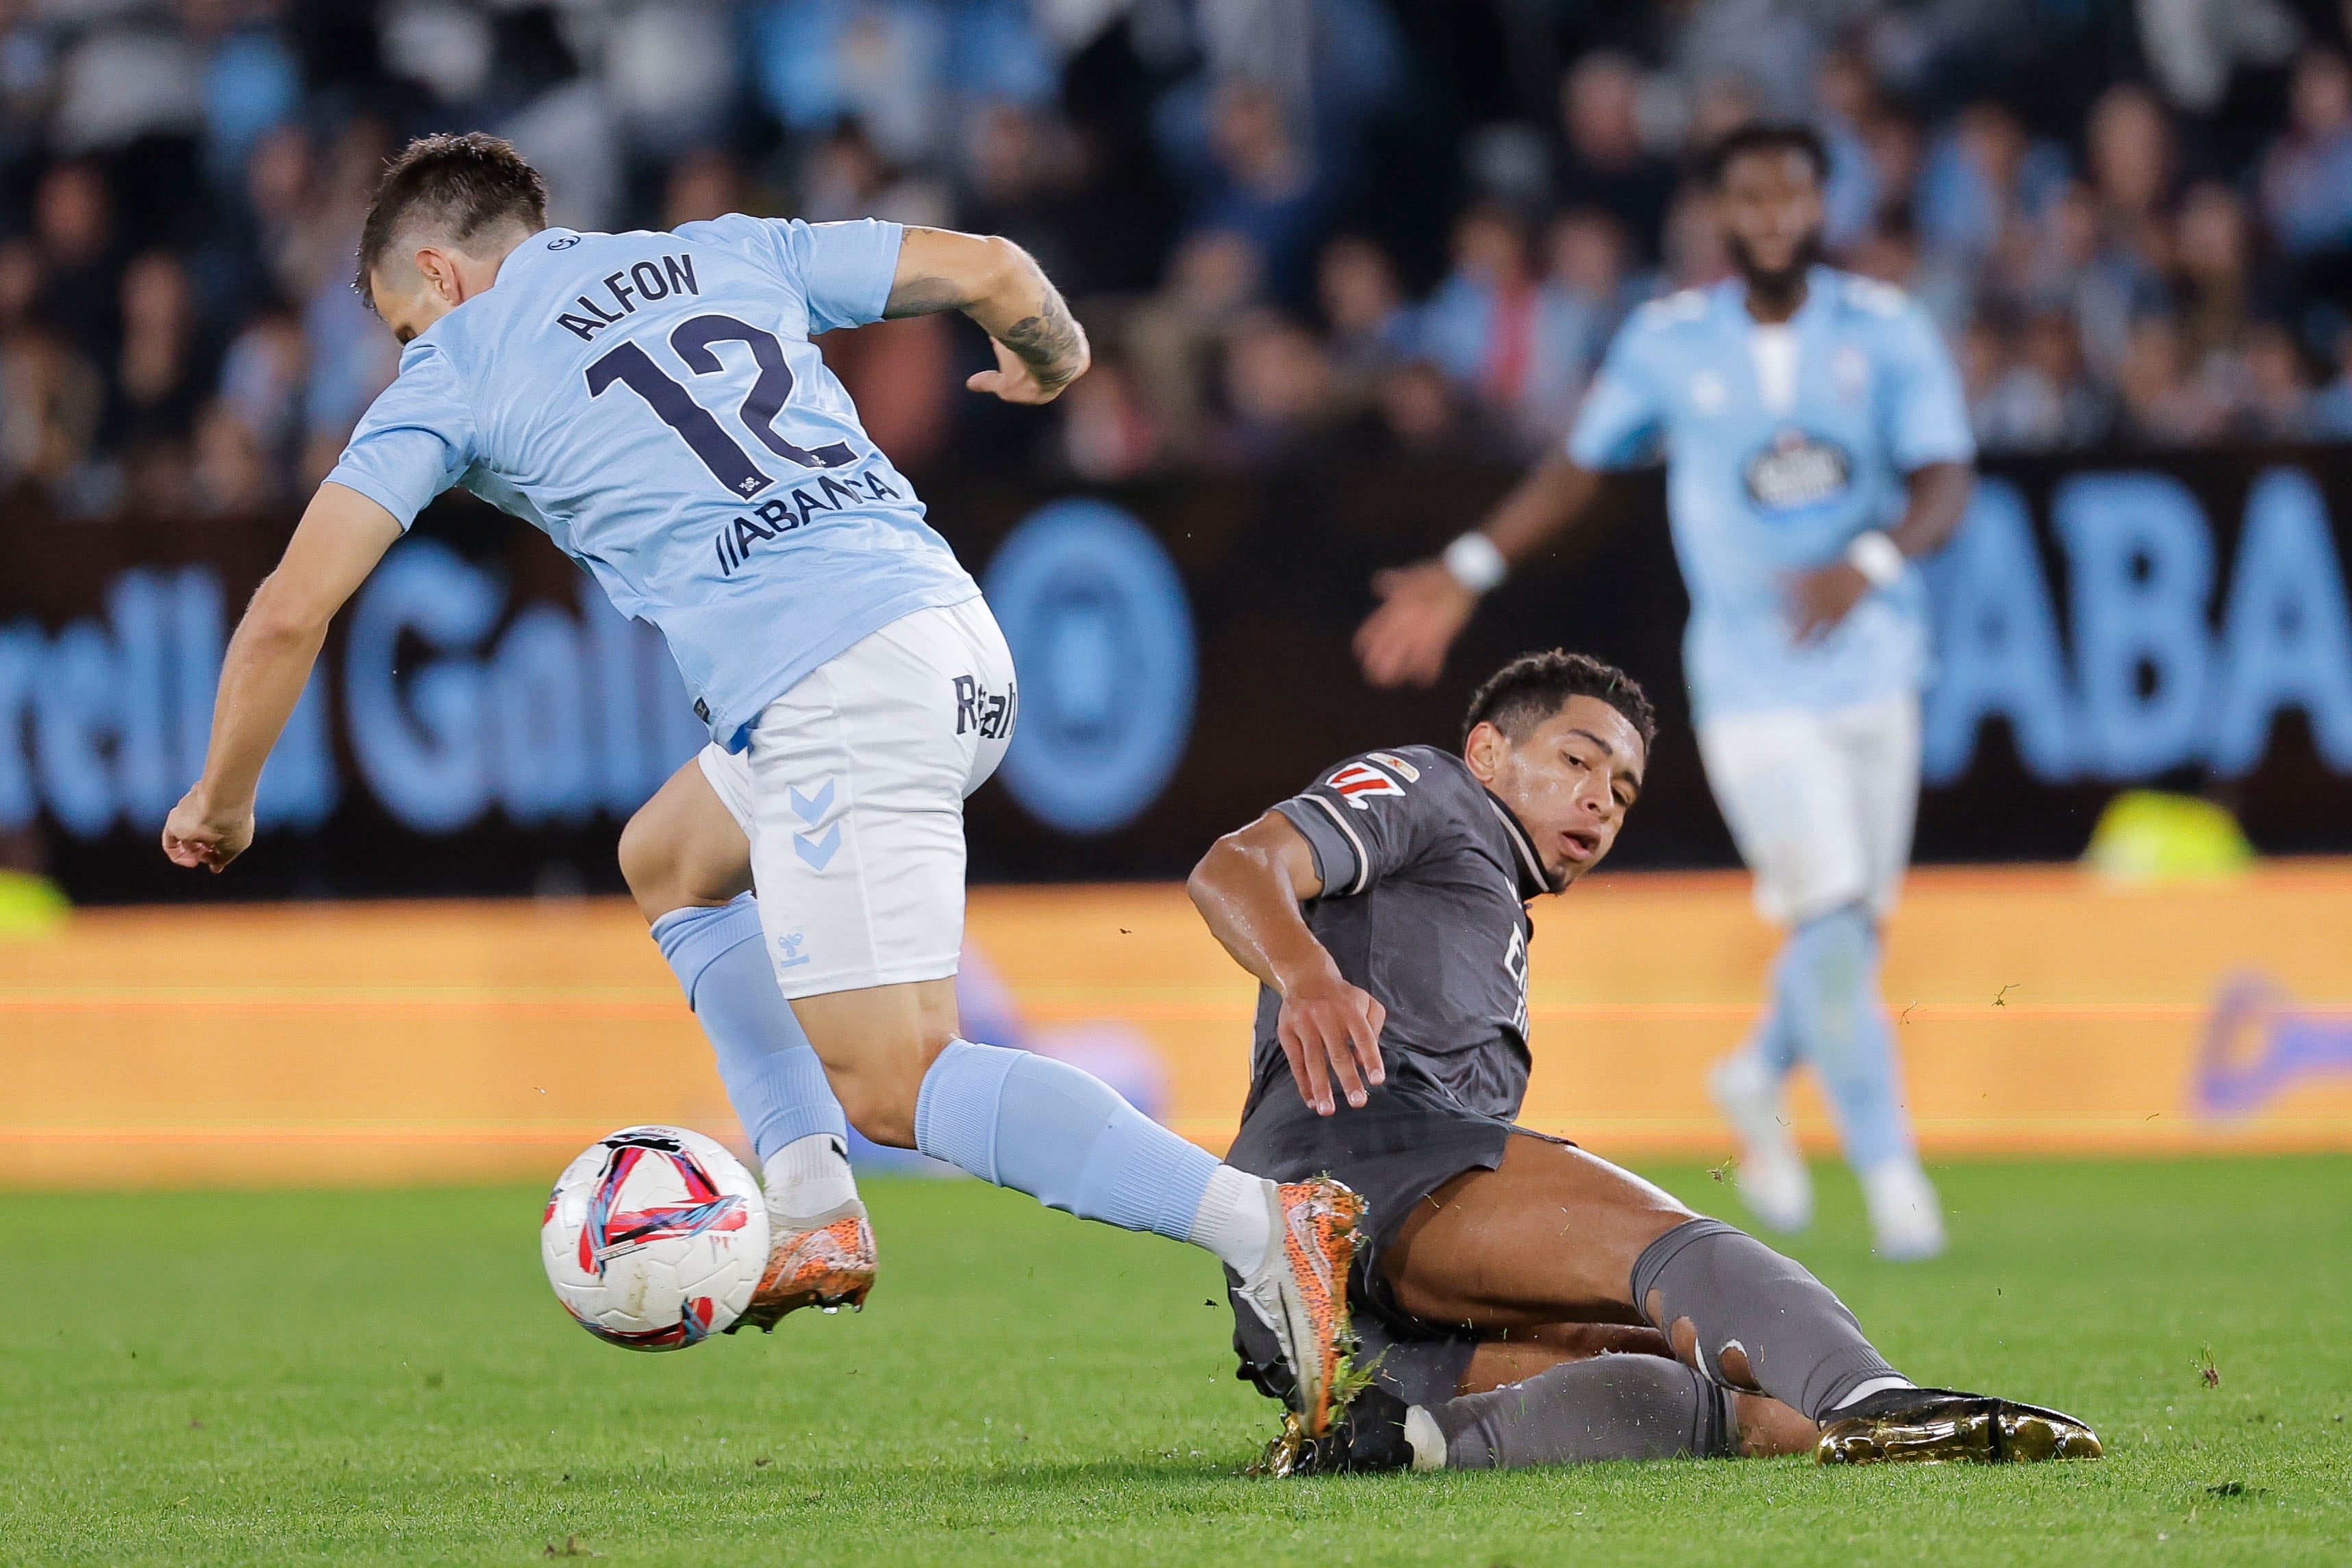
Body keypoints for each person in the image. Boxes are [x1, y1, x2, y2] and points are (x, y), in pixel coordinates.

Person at [158, 132, 1364, 1438]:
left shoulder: (456, 362)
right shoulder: (720, 248)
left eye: (401, 321)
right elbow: (995, 266)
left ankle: (1260, 1221)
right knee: (668, 855)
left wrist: (224, 796)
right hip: (948, 633)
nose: (408, 346)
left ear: (439, 275)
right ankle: (808, 1205)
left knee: (899, 1083)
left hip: (834, 685)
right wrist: (1051, 359)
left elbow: (291, 611)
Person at [1188, 650, 2100, 1473]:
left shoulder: (1484, 916)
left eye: (1622, 791)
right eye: (1577, 761)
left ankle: (1404, 1441)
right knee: (1669, 1247)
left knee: (1741, 1397)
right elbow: (1233, 866)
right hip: (1349, 1166)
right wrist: (1306, 975)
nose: (1599, 798)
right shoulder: (1429, 787)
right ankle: (1874, 1395)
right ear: (1486, 753)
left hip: (1349, 1307)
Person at [1353, 123, 1972, 1260]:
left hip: (1879, 665)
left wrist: (1870, 560)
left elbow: (1945, 476)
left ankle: (1750, 1073)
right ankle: (1895, 1183)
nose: (1774, 214)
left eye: (1792, 192)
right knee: (1830, 915)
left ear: (1820, 203)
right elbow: (1579, 465)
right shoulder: (1672, 340)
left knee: (1847, 928)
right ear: (1721, 214)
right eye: (1751, 195)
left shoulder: (1883, 329)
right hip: (1750, 685)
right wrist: (1468, 566)